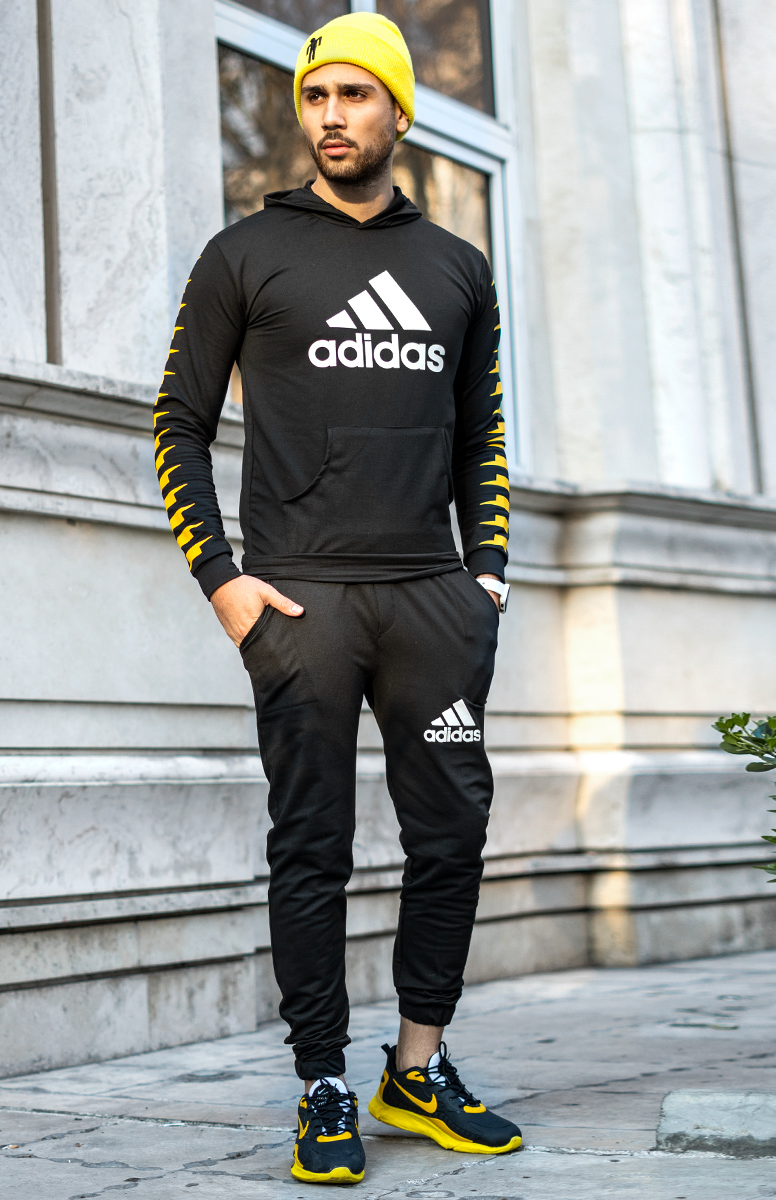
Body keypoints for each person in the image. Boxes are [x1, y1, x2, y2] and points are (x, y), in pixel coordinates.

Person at [154, 11, 520, 1185]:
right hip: (300, 603)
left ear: (398, 111)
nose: (330, 116)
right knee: (311, 847)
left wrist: (485, 578)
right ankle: (322, 1081)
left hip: (431, 603)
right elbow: (176, 424)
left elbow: (483, 436)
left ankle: (418, 1066)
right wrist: (223, 581)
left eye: (355, 95)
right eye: (315, 96)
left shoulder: (457, 269)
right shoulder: (244, 255)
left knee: (450, 835)